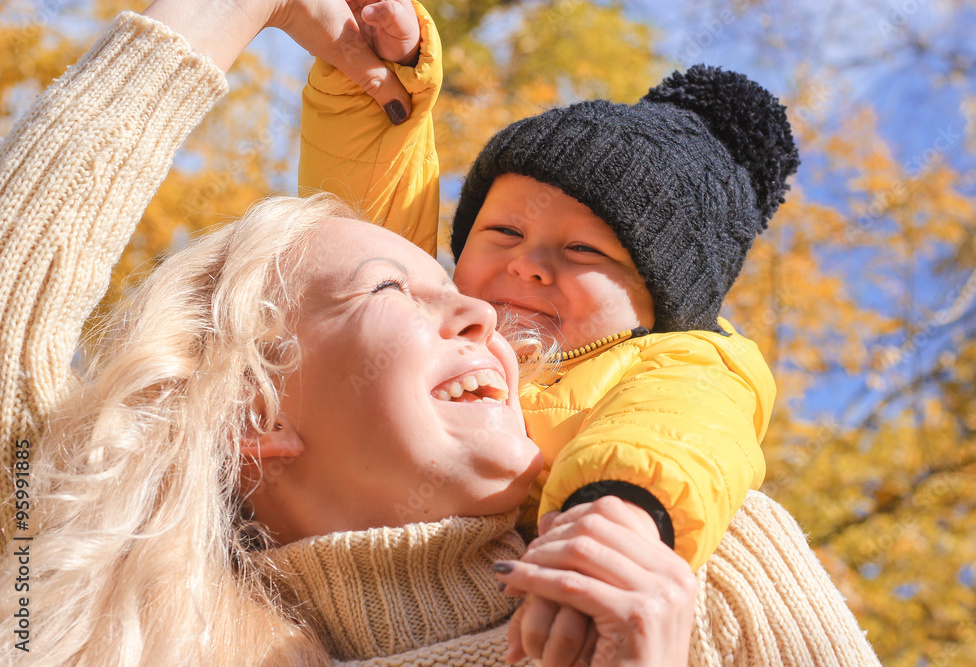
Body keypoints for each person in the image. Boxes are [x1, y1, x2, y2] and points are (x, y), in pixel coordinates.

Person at [0, 0, 698, 664]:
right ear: (257, 409)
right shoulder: (120, 610)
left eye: (453, 292)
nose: (485, 315)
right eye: (391, 288)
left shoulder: (692, 574)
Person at [299, 1, 798, 659]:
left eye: (586, 252)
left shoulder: (679, 360)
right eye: (504, 231)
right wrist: (368, 82)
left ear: (656, 305)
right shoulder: (449, 332)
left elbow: (678, 424)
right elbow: (364, 244)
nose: (529, 266)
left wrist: (620, 508)